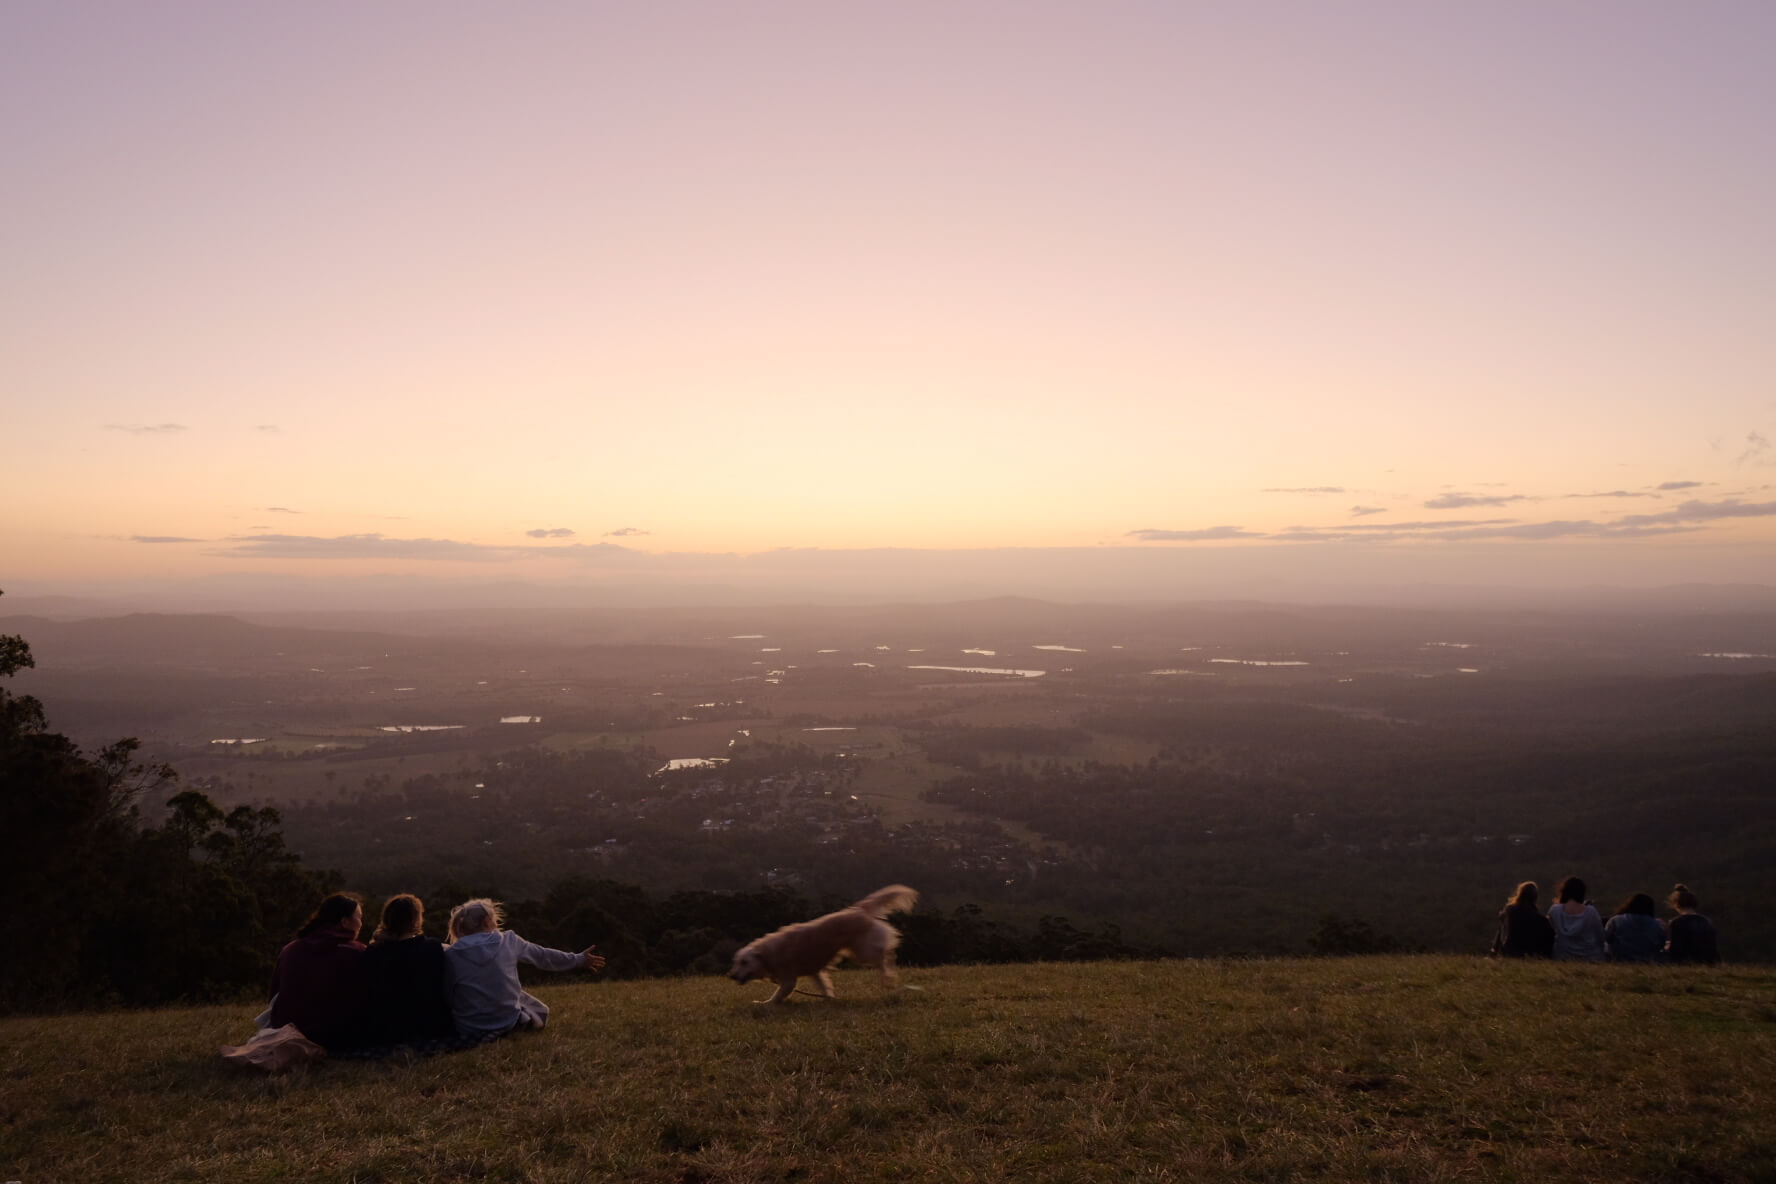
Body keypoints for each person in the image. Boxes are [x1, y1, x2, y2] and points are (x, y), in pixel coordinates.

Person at [441, 898, 606, 1037]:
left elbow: (449, 993)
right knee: (526, 1000)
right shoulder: (508, 940)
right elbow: (543, 956)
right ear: (486, 921)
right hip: (508, 1023)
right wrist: (578, 959)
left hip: (470, 1029)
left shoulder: (450, 953)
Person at [267, 892, 369, 1049]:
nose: (361, 923)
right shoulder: (358, 953)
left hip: (286, 1031)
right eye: (359, 917)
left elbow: (274, 995)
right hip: (336, 1035)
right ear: (344, 922)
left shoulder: (290, 949)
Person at [358, 894, 455, 1047]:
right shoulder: (432, 948)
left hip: (385, 1032)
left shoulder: (372, 953)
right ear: (416, 919)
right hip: (429, 1028)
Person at [1547, 876, 1606, 963]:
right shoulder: (1591, 912)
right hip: (1590, 957)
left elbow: (1551, 931)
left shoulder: (1554, 910)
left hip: (1562, 956)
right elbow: (1600, 937)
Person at [1491, 880, 1554, 958]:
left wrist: (1495, 949)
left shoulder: (1509, 912)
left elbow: (1502, 932)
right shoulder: (1540, 920)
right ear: (1535, 898)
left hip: (1509, 952)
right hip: (1530, 953)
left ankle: (1494, 951)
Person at [1665, 884, 1721, 965]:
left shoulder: (1676, 922)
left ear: (1676, 904)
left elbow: (1676, 950)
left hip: (1686, 962)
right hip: (1708, 962)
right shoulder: (1706, 921)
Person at [1603, 893, 1666, 963]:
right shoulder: (1657, 924)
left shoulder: (1616, 920)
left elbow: (1606, 938)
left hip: (1620, 959)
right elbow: (1661, 943)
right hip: (1648, 960)